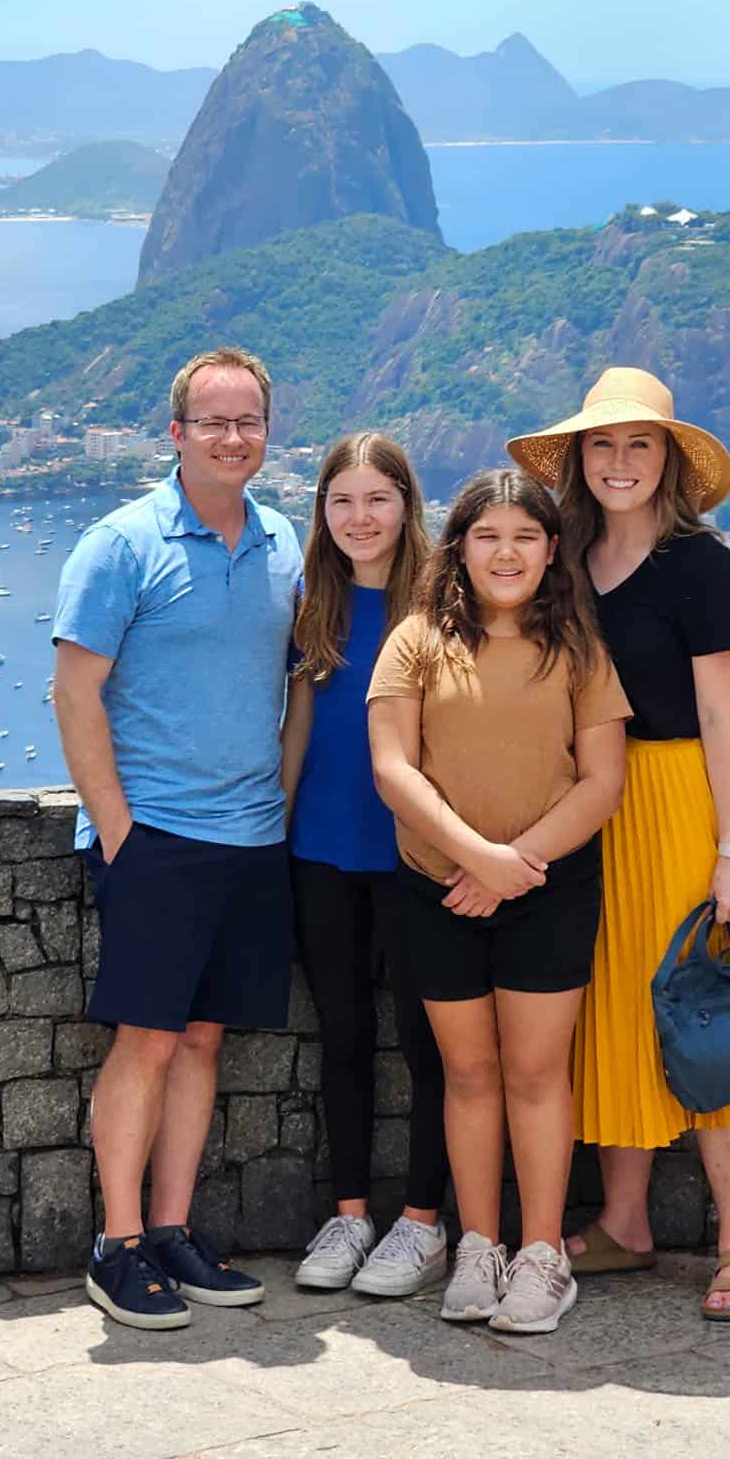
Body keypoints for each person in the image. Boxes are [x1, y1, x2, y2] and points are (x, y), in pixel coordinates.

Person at [508, 366, 730, 1323]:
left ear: (669, 460)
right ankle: (626, 1224)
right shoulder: (564, 562)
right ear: (579, 460)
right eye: (603, 444)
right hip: (592, 809)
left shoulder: (702, 566)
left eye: (640, 444)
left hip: (680, 805)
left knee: (717, 1017)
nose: (620, 461)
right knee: (614, 1019)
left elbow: (724, 718)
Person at [52, 346, 303, 1330]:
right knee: (149, 1039)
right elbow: (75, 693)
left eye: (248, 422)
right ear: (177, 434)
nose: (233, 437)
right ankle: (116, 1245)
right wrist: (120, 831)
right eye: (213, 422)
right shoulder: (121, 545)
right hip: (154, 832)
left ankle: (170, 1230)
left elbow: (295, 688)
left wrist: (275, 808)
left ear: (266, 432)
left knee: (203, 1038)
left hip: (250, 838)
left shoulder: (285, 543)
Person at [367, 469, 630, 1334]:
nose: (506, 552)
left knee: (534, 1073)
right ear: (460, 547)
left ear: (552, 550)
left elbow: (602, 781)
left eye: (525, 536)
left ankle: (543, 1254)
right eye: (488, 536)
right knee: (469, 1074)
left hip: (549, 890)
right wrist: (475, 858)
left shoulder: (580, 651)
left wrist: (514, 864)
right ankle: (479, 1244)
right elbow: (393, 768)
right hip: (437, 887)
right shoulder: (414, 640)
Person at [281, 432, 451, 1296]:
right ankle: (350, 1216)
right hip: (321, 849)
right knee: (342, 1038)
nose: (359, 517)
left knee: (430, 1047)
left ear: (406, 505)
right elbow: (299, 729)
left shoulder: (443, 601)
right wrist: (273, 833)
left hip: (418, 855)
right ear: (322, 511)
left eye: (376, 499)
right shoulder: (316, 602)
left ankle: (423, 1223)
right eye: (340, 500)